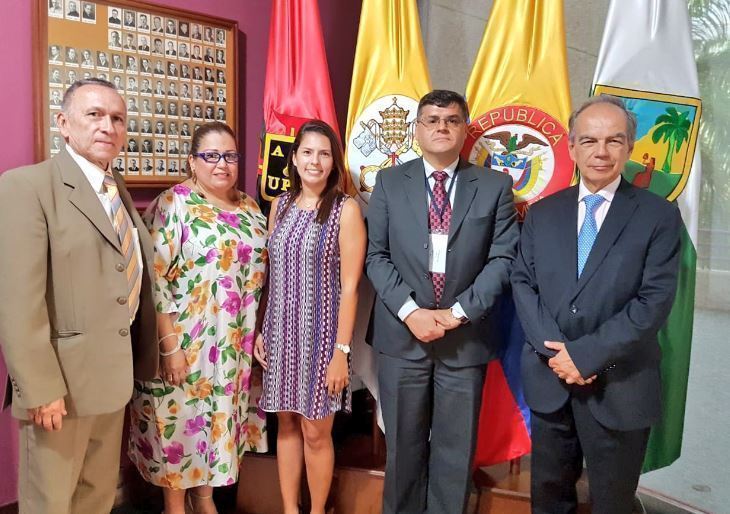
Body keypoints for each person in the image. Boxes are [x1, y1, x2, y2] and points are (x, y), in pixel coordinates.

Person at [511, 95, 682, 514]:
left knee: (612, 502)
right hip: (551, 382)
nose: (600, 152)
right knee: (549, 497)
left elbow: (652, 302)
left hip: (619, 384)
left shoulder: (659, 216)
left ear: (629, 148)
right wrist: (558, 355)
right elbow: (523, 282)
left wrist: (584, 356)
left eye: (613, 141)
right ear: (571, 147)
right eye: (588, 141)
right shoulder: (542, 213)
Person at [0, 78, 157, 513]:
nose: (108, 126)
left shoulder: (115, 190)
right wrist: (39, 388)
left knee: (97, 499)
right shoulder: (26, 187)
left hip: (111, 383)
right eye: (95, 115)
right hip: (60, 389)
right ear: (64, 124)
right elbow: (18, 302)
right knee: (50, 504)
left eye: (117, 118)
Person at [365, 90, 518, 514]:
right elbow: (375, 256)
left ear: (464, 130)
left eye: (451, 120)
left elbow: (503, 258)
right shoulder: (390, 182)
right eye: (431, 119)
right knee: (403, 452)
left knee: (455, 453)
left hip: (464, 338)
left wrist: (456, 314)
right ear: (417, 129)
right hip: (402, 336)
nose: (441, 127)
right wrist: (412, 312)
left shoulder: (494, 185)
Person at [128, 121, 268, 514]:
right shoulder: (172, 204)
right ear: (193, 161)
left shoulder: (251, 208)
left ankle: (205, 500)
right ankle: (175, 507)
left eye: (230, 156)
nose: (221, 164)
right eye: (211, 155)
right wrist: (169, 346)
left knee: (217, 425)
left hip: (232, 344)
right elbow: (153, 281)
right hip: (185, 340)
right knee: (179, 427)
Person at [254, 120, 366, 514]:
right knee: (285, 425)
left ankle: (316, 510)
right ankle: (290, 508)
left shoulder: (345, 210)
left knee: (316, 431)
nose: (314, 161)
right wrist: (263, 329)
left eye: (323, 153)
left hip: (323, 341)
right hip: (280, 336)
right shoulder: (280, 205)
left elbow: (351, 288)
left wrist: (341, 351)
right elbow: (272, 274)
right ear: (295, 158)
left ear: (334, 161)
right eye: (307, 152)